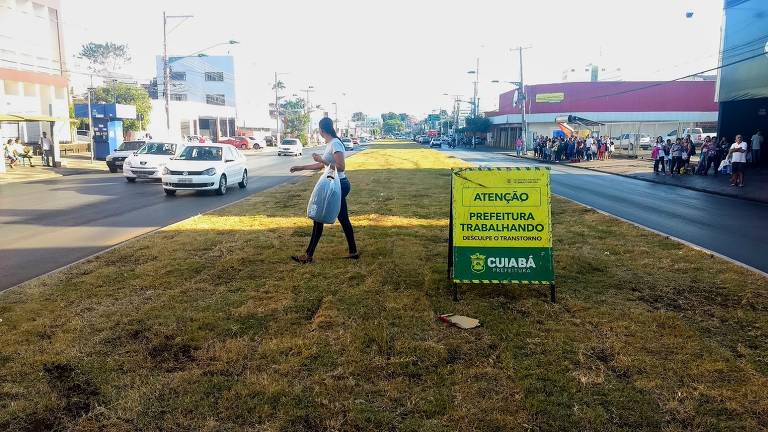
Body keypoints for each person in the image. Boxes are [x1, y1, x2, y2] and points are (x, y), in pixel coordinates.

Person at [289, 117, 358, 263]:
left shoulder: (336, 143)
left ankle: (308, 255)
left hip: (339, 185)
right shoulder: (330, 144)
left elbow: (341, 167)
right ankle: (353, 252)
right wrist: (300, 168)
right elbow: (321, 166)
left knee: (318, 218)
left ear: (321, 130)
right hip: (335, 184)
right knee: (343, 218)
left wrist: (321, 160)